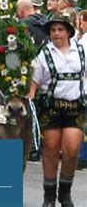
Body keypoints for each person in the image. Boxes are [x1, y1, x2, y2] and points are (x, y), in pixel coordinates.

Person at [28, 14, 85, 207]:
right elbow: (34, 82)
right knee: (51, 149)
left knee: (71, 150)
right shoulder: (44, 54)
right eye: (53, 30)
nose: (56, 34)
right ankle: (49, 196)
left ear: (69, 32)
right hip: (51, 107)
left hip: (75, 106)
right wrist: (28, 97)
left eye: (60, 30)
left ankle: (65, 192)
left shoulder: (82, 51)